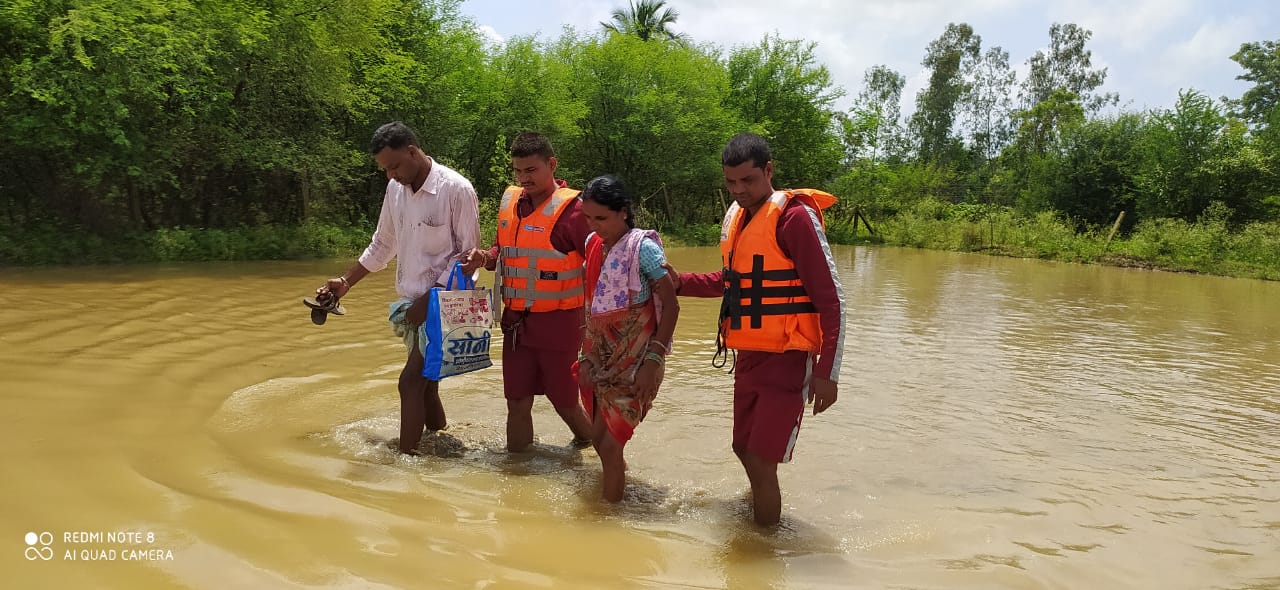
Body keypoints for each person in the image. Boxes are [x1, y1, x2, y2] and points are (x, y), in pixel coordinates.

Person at [669, 133, 845, 526]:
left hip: (788, 358)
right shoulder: (737, 217)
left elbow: (832, 299)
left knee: (763, 461)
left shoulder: (795, 218)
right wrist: (680, 281)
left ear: (769, 171)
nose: (739, 190)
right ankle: (758, 516)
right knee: (742, 448)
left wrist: (827, 372)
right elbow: (730, 281)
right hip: (749, 357)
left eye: (747, 181)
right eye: (731, 182)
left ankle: (763, 552)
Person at [315, 121, 480, 455]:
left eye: (394, 166)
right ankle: (439, 443)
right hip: (412, 305)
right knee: (426, 387)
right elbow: (383, 244)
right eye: (385, 169)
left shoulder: (456, 189)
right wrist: (346, 282)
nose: (391, 175)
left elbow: (469, 256)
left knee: (409, 383)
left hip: (447, 303)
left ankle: (407, 464)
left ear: (413, 151)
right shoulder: (395, 191)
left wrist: (430, 299)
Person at [459, 132, 594, 452]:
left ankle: (598, 453)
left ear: (552, 164)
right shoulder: (511, 202)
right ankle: (516, 472)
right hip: (516, 322)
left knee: (565, 402)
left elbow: (601, 262)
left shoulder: (574, 211)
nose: (523, 178)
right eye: (518, 171)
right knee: (516, 402)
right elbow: (503, 249)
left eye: (531, 170)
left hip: (560, 323)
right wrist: (486, 257)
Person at [574, 175, 680, 502]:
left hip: (638, 362)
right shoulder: (594, 246)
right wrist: (587, 356)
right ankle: (618, 491)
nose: (594, 225)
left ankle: (610, 519)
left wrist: (654, 360)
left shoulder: (642, 249)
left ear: (623, 212)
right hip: (602, 356)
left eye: (601, 218)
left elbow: (672, 304)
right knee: (599, 438)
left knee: (609, 443)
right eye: (589, 218)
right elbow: (589, 304)